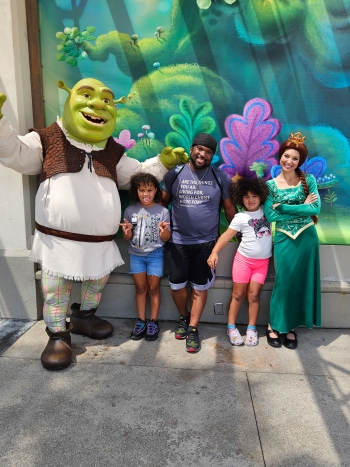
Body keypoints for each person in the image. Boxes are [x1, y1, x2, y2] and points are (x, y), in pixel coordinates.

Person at [0, 79, 188, 370]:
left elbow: (136, 176)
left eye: (107, 100)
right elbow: (17, 154)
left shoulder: (112, 151)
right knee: (55, 290)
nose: (98, 104)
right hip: (56, 241)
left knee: (95, 285)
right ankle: (58, 335)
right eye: (86, 96)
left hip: (99, 243)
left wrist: (161, 163)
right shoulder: (49, 138)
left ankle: (84, 319)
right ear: (68, 98)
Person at [160, 133, 237, 353]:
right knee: (176, 285)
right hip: (177, 241)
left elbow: (230, 208)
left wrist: (241, 231)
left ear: (212, 156)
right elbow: (162, 204)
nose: (203, 154)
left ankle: (193, 328)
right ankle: (184, 317)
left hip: (206, 243)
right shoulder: (174, 174)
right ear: (192, 149)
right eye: (200, 149)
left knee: (200, 287)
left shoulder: (220, 177)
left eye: (209, 152)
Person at [264, 132, 321, 349]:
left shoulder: (309, 180)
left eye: (295, 158)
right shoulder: (270, 185)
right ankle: (273, 324)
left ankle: (290, 327)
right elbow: (271, 215)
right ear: (280, 156)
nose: (290, 161)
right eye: (286, 156)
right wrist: (301, 208)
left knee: (300, 282)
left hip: (307, 238)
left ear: (300, 161)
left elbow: (315, 209)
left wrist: (285, 207)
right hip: (283, 238)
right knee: (283, 282)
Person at [207, 177, 271, 346]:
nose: (251, 200)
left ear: (262, 197)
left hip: (262, 263)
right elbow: (226, 236)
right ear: (241, 198)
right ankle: (231, 327)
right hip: (243, 261)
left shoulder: (268, 212)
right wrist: (214, 252)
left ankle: (251, 328)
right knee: (238, 294)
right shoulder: (240, 217)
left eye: (255, 196)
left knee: (254, 295)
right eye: (247, 196)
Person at [119, 173, 170, 341]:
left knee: (154, 288)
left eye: (149, 190)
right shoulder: (130, 210)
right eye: (142, 190)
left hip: (156, 255)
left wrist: (164, 232)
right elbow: (127, 238)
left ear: (156, 190)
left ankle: (153, 322)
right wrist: (126, 232)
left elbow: (166, 238)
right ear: (137, 191)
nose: (145, 194)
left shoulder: (163, 211)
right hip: (136, 255)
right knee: (141, 289)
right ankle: (141, 321)